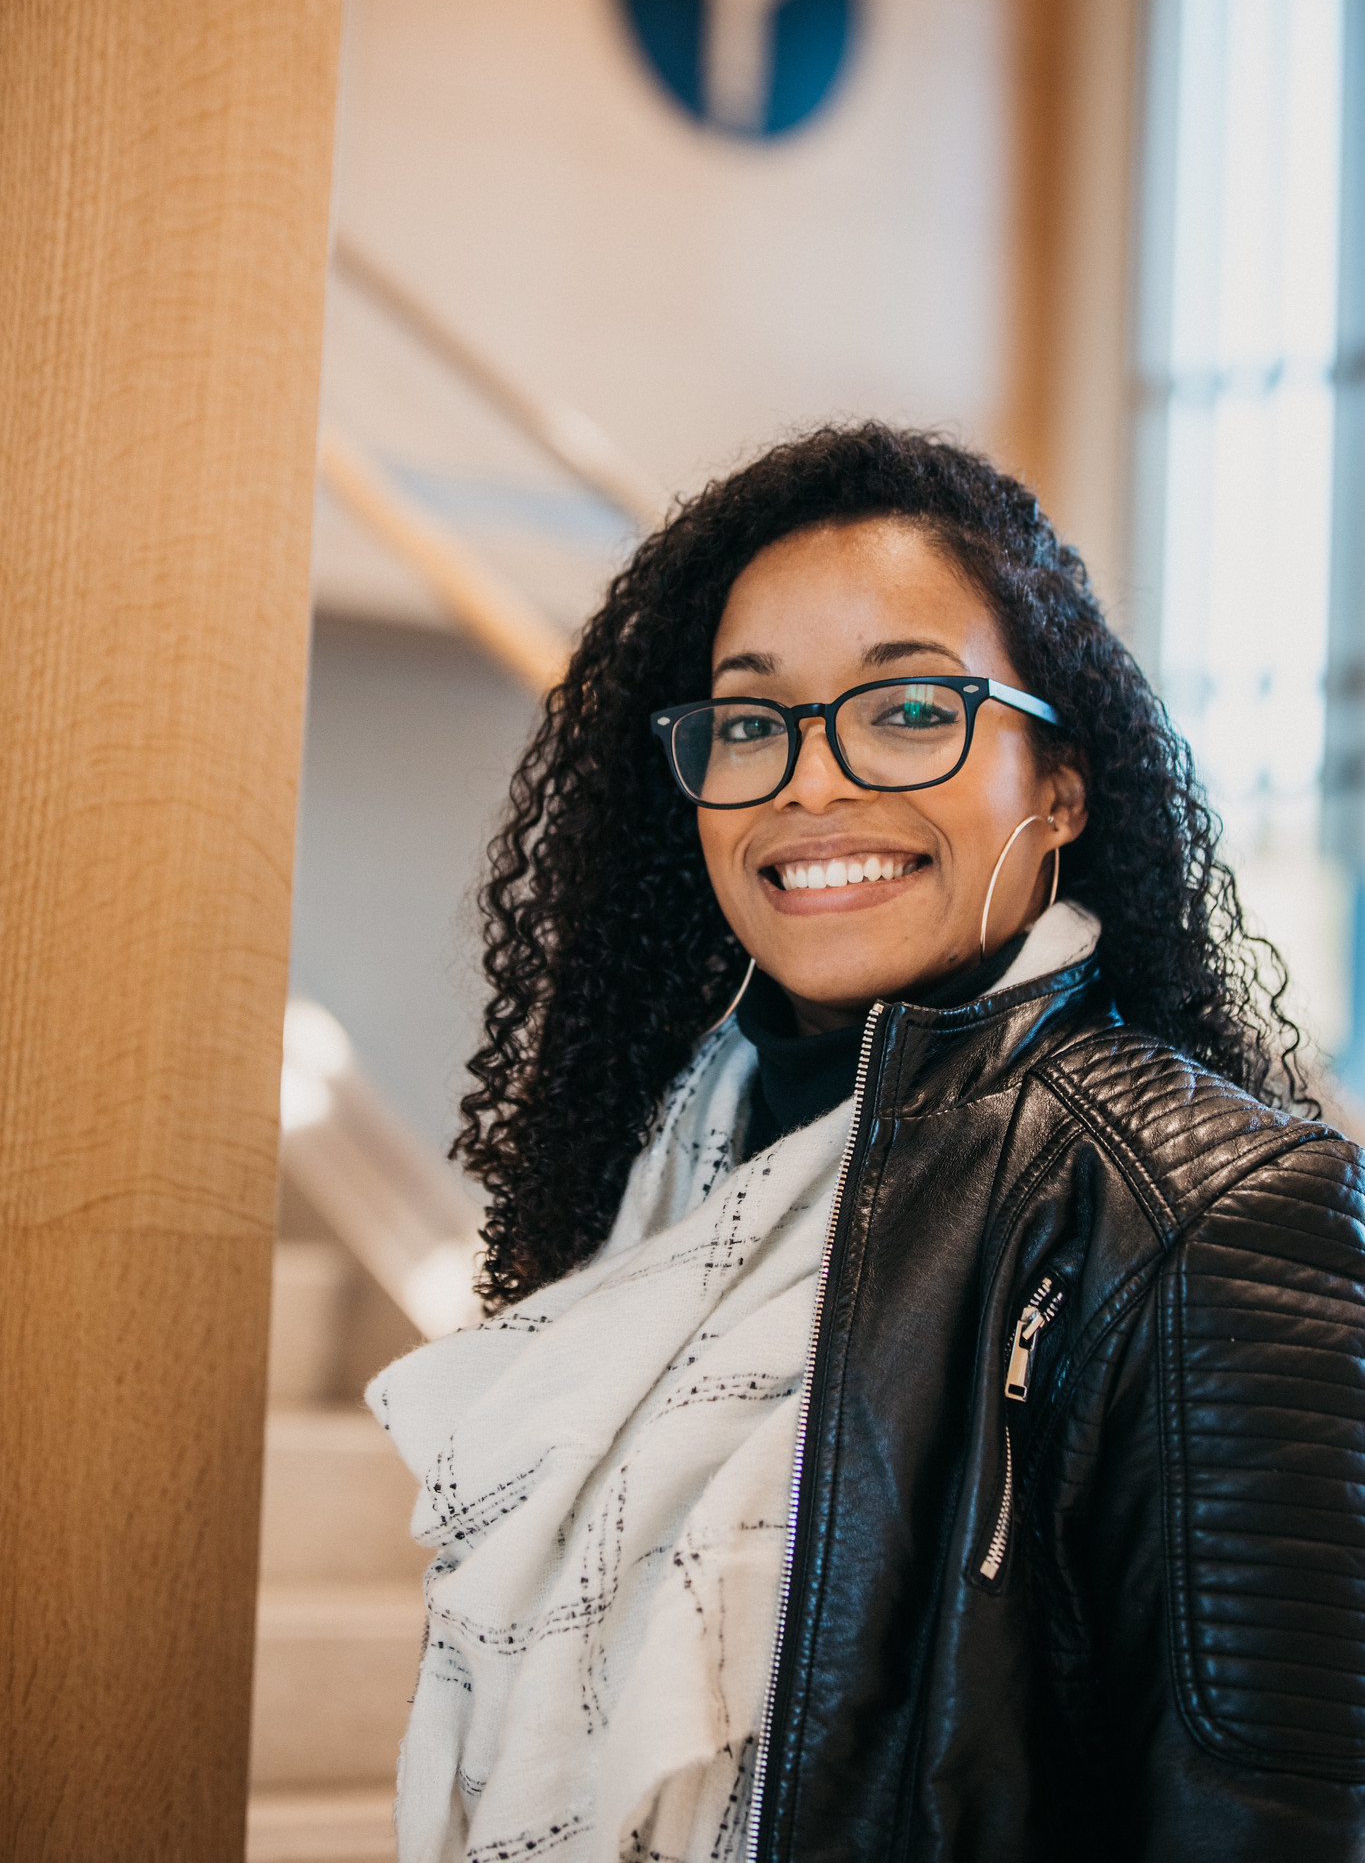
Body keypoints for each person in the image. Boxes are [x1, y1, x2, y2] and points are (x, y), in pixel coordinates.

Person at [368, 425, 1365, 1863]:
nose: (810, 784)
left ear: (1060, 785)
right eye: (752, 719)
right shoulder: (648, 1194)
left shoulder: (1209, 1211)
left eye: (907, 711)